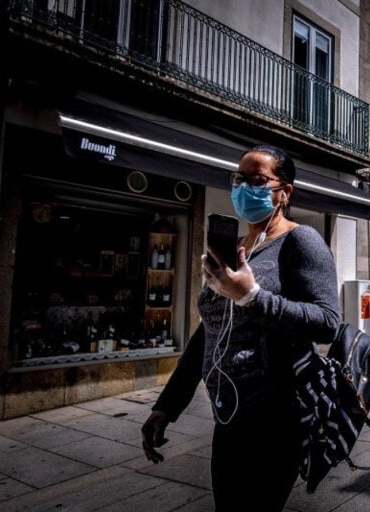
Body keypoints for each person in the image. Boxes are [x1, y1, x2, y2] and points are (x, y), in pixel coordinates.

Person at [141, 144, 341, 511]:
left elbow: (328, 322)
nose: (244, 187)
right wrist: (167, 406)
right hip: (229, 412)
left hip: (276, 415)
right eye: (239, 178)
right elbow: (210, 332)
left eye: (258, 180)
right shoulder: (237, 250)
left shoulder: (302, 240)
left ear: (284, 192)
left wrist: (252, 296)